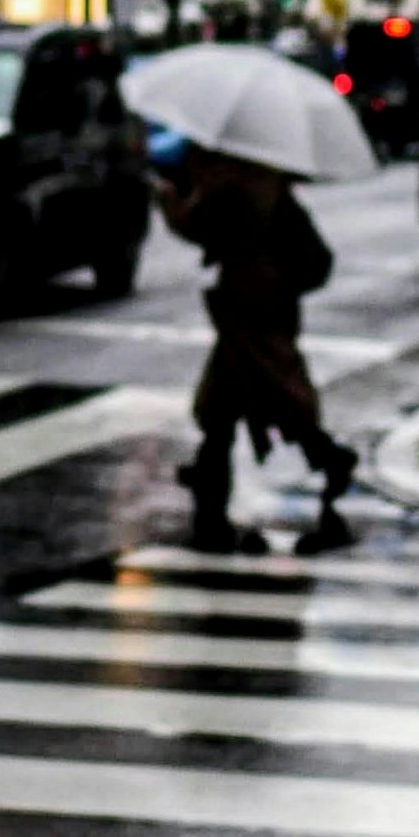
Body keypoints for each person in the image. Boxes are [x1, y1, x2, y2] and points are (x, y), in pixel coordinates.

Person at [155, 138, 358, 555]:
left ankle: (328, 463)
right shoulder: (264, 170)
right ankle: (211, 512)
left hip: (248, 308)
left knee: (255, 404)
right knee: (226, 408)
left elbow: (201, 223)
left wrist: (169, 200)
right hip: (262, 305)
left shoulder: (233, 174)